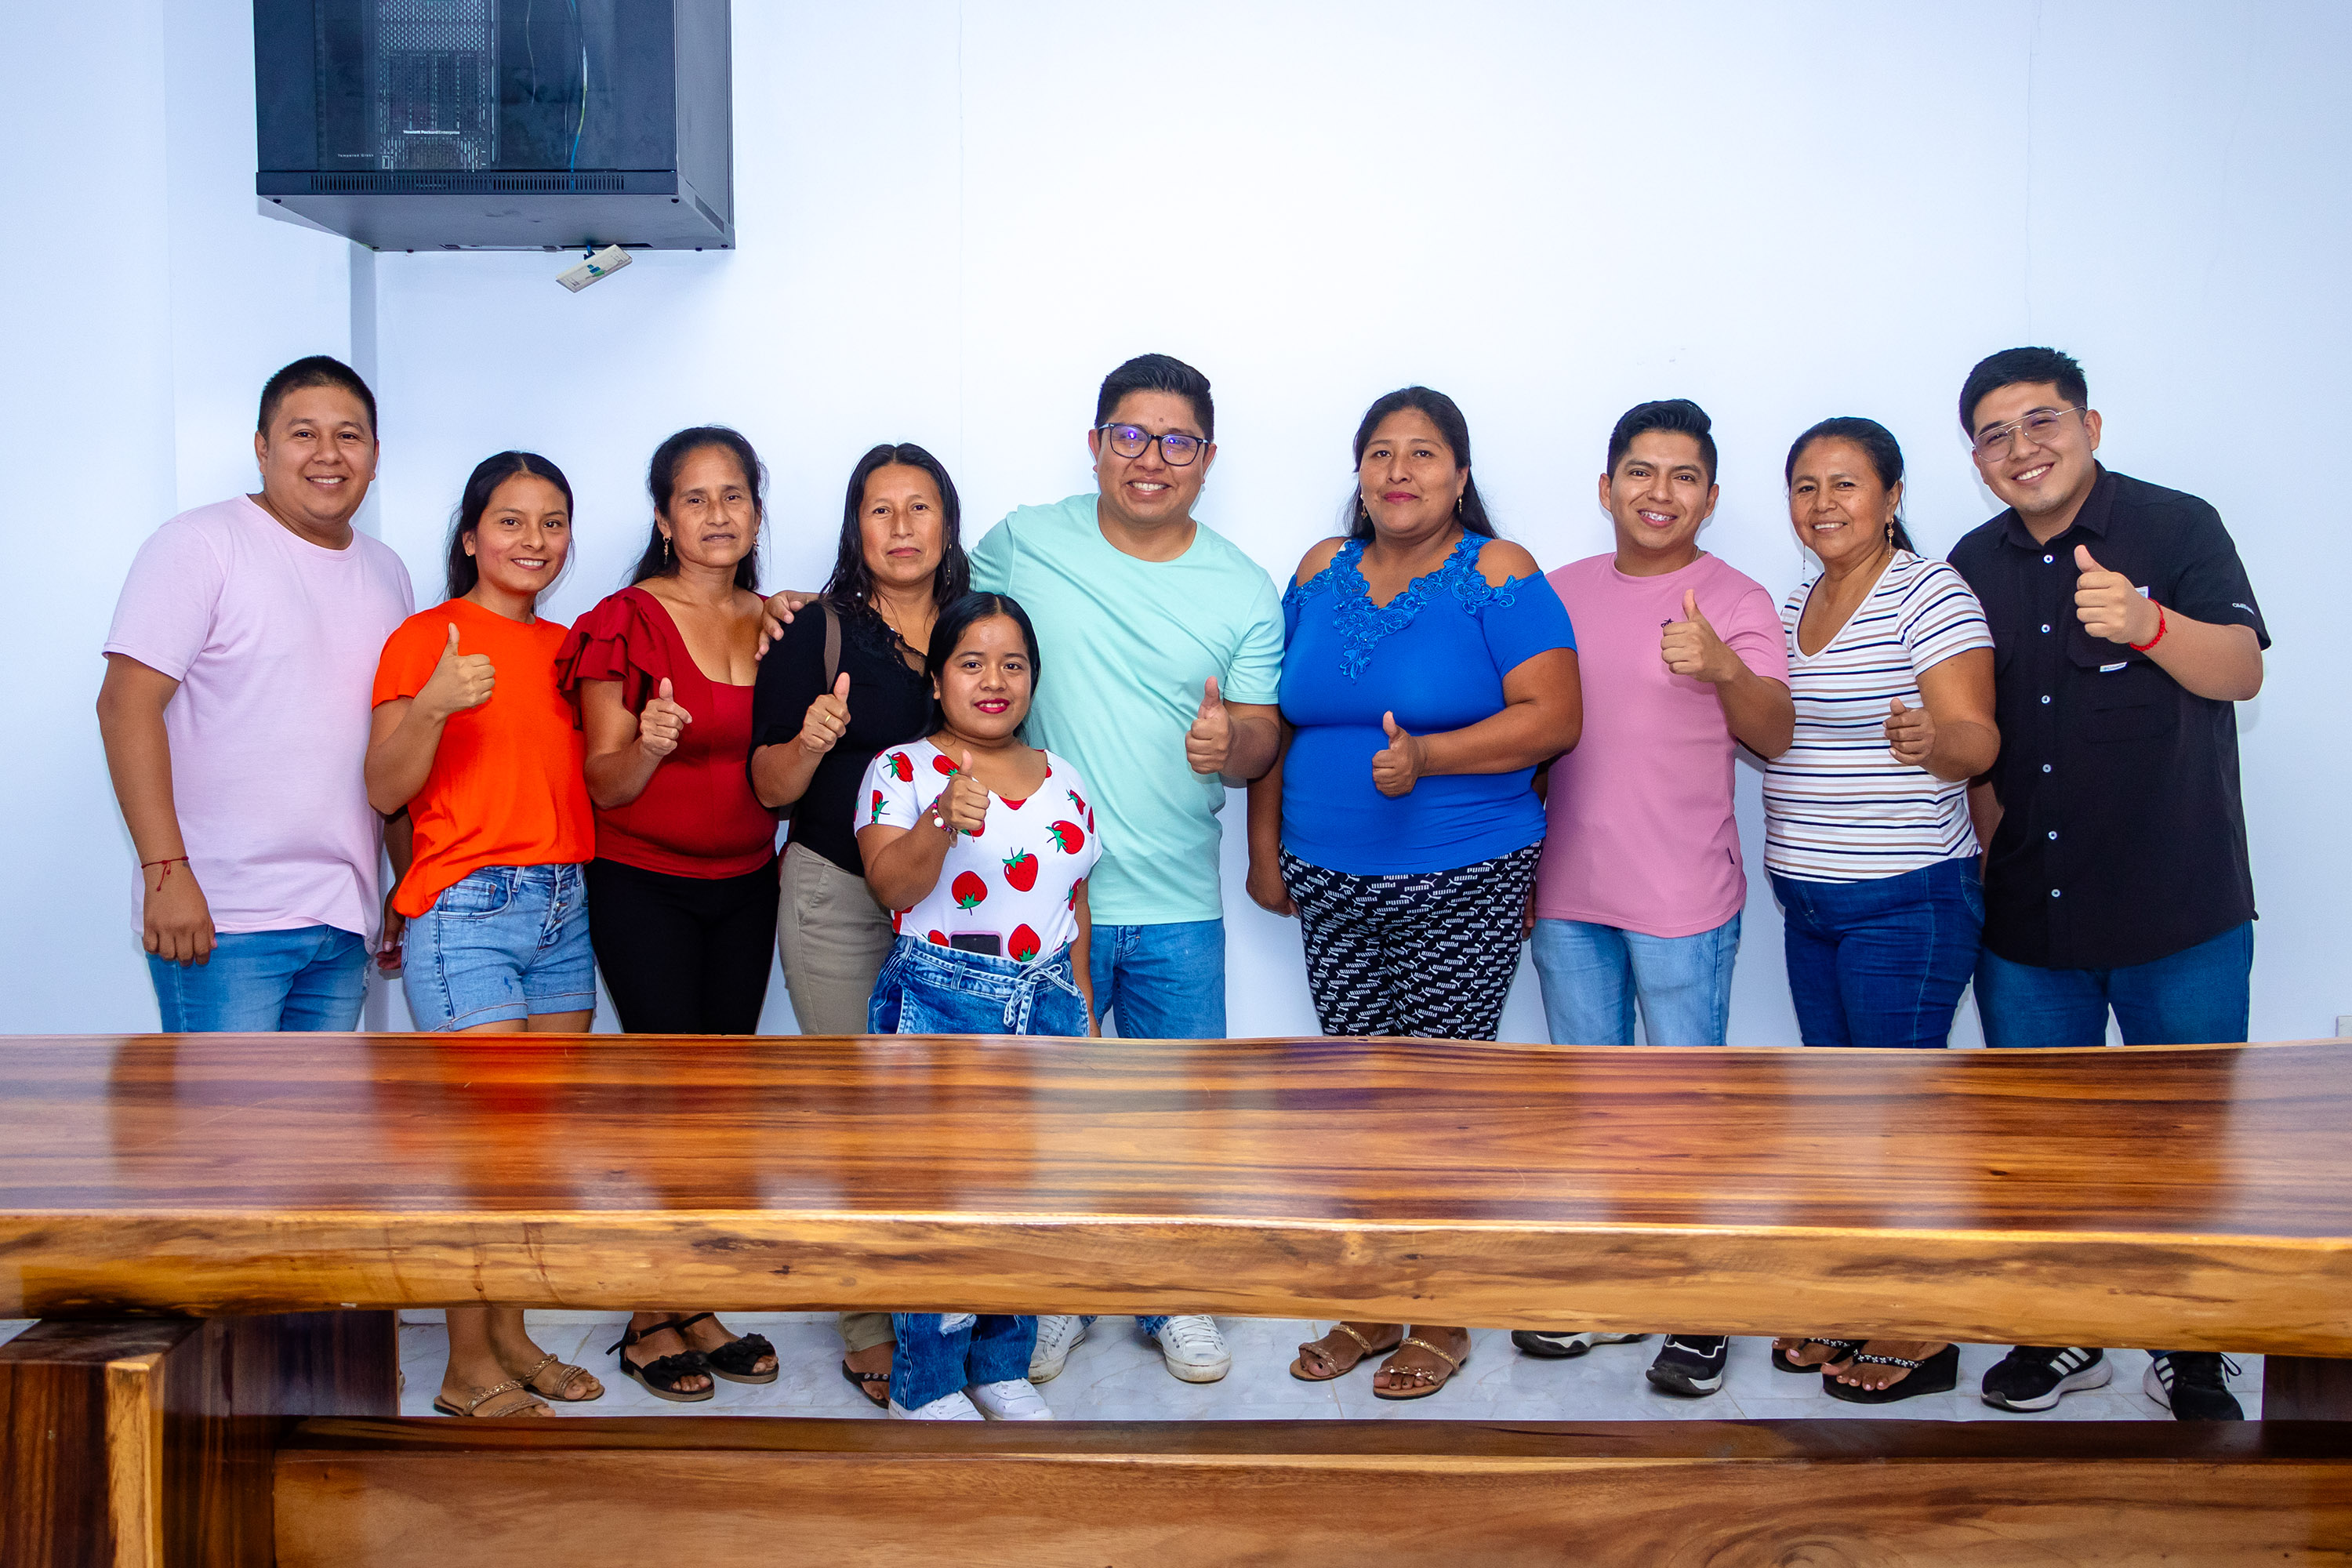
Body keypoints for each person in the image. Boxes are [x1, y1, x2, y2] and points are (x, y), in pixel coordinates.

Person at [1949, 348, 2267, 1424]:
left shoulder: (2177, 527)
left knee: (2188, 1145)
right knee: (2040, 1153)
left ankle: (2193, 1349)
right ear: (1977, 461)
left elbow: (2243, 670)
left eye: (2041, 421)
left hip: (2180, 906)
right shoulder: (1971, 563)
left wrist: (2149, 624)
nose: (2021, 447)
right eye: (1995, 434)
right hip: (2030, 917)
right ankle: (2061, 1331)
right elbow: (1982, 735)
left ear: (2090, 425)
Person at [1247, 387, 1578, 1401]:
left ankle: (1440, 1312)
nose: (1400, 470)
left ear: (1460, 475)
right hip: (1329, 879)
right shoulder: (1319, 570)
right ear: (1359, 473)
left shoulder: (1500, 571)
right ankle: (1372, 1300)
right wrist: (1263, 849)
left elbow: (1555, 717)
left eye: (1424, 452)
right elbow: (1281, 717)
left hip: (1462, 878)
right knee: (1358, 1102)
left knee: (1440, 1105)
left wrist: (1430, 757)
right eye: (1381, 452)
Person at [964, 353, 1284, 1386]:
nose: (1152, 459)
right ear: (1096, 444)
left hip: (1178, 896)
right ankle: (1059, 1293)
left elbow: (1262, 737)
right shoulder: (1024, 543)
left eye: (1177, 441)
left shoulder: (1241, 586)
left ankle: (1173, 1292)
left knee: (1180, 1119)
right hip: (1041, 899)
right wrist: (802, 603)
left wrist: (1230, 743)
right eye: (1131, 436)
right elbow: (923, 615)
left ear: (1207, 458)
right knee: (1052, 1116)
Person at [1519, 397, 1794, 1399]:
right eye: (1640, 471)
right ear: (1607, 487)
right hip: (1568, 891)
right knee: (1593, 1110)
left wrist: (1722, 667)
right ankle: (1614, 1292)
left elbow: (1776, 732)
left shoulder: (1736, 596)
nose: (1660, 492)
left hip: (1684, 893)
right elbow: (1530, 732)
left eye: (1684, 476)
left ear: (1711, 498)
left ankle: (1699, 1310)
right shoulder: (1559, 591)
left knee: (1683, 1114)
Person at [1759, 416, 1999, 1404]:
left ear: (1893, 496)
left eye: (1846, 483)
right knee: (1843, 1122)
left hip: (1905, 899)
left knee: (1900, 1122)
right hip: (1811, 903)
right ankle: (1859, 1295)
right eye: (1806, 486)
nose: (1824, 504)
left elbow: (1978, 737)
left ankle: (1922, 1325)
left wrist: (1933, 741)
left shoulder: (1928, 592)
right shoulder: (1793, 601)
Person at [364, 451, 604, 1417]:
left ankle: (511, 1335)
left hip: (564, 904)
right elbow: (384, 786)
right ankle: (466, 1365)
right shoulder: (424, 637)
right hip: (467, 907)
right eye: (510, 520)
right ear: (470, 536)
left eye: (552, 522)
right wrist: (432, 703)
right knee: (481, 1150)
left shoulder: (569, 647)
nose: (533, 540)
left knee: (531, 1152)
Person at [557, 426, 782, 1399]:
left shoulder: (776, 623)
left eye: (734, 495)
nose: (717, 514)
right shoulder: (625, 622)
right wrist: (648, 743)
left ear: (757, 513)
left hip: (748, 885)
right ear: (662, 517)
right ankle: (650, 1312)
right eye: (695, 497)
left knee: (720, 1107)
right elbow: (604, 782)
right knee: (666, 1100)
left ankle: (697, 1297)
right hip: (643, 883)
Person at [747, 441, 969, 1407]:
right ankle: (870, 1323)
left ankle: (946, 1308)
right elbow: (769, 785)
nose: (902, 527)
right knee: (857, 1117)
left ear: (947, 523)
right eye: (881, 509)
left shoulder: (976, 625)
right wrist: (810, 740)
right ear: (856, 528)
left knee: (947, 1121)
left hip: (950, 903)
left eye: (920, 507)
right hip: (836, 893)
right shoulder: (817, 631)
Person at [98, 356, 413, 1030]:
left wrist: (405, 882)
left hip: (342, 918)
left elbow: (394, 745)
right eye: (303, 434)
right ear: (262, 449)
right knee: (226, 1106)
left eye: (349, 435)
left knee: (315, 1106)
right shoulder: (200, 544)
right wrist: (165, 873)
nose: (328, 454)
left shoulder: (388, 572)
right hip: (222, 918)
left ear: (375, 456)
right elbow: (125, 704)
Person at [855, 591, 1102, 1419]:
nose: (994, 681)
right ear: (937, 679)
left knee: (1026, 1200)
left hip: (1048, 1003)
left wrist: (1084, 1014)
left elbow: (1073, 905)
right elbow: (890, 887)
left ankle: (1000, 1364)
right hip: (940, 1000)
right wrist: (939, 820)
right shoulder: (900, 770)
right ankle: (925, 1385)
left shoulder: (1065, 779)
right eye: (971, 663)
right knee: (937, 1205)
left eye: (1012, 664)